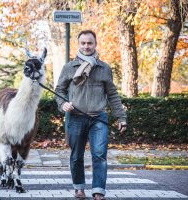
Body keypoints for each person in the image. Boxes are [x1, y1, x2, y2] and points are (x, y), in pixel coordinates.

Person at [55, 30, 127, 200]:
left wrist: (121, 118)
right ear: (78, 44)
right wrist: (63, 103)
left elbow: (113, 95)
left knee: (100, 155)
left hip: (98, 118)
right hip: (75, 118)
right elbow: (59, 90)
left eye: (90, 43)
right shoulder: (69, 67)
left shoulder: (104, 68)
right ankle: (79, 187)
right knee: (76, 155)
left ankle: (98, 190)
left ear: (95, 44)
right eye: (83, 43)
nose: (86, 46)